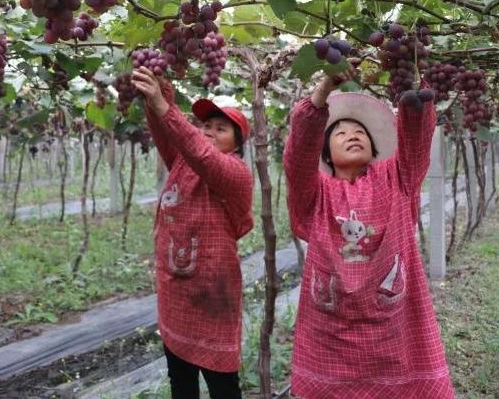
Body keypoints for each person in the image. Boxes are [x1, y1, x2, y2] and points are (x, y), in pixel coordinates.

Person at [283, 69, 454, 398]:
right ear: (325, 154)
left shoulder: (397, 179)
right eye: (340, 132)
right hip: (331, 332)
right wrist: (320, 94)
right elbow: (296, 158)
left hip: (394, 331)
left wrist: (412, 84)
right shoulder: (315, 194)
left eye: (360, 130)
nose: (352, 134)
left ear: (375, 147)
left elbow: (416, 143)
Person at [131, 66, 254, 399]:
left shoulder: (235, 174)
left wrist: (164, 107)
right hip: (177, 293)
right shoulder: (183, 164)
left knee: (222, 386)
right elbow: (166, 133)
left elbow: (201, 153)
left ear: (237, 145)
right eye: (206, 126)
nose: (210, 132)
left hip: (213, 296)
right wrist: (157, 93)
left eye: (221, 128)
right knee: (180, 382)